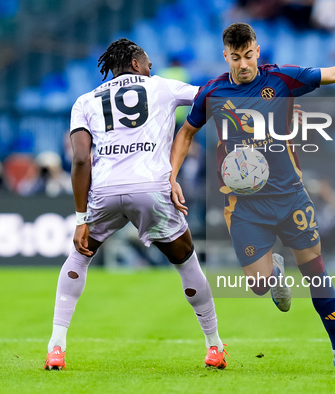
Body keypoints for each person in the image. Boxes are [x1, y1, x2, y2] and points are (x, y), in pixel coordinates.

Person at [170, 22, 335, 373]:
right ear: (225, 56)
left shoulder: (282, 79)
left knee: (315, 272)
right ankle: (273, 272)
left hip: (290, 197)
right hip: (244, 205)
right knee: (259, 286)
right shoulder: (212, 92)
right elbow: (186, 132)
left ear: (257, 52)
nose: (243, 65)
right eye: (235, 58)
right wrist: (171, 176)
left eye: (248, 56)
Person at [44, 38, 226, 370]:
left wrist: (81, 217)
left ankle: (56, 347)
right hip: (151, 187)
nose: (151, 69)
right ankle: (214, 346)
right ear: (136, 64)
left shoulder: (84, 101)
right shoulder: (161, 87)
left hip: (105, 189)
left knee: (80, 256)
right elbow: (210, 95)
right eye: (148, 64)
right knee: (185, 261)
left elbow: (81, 159)